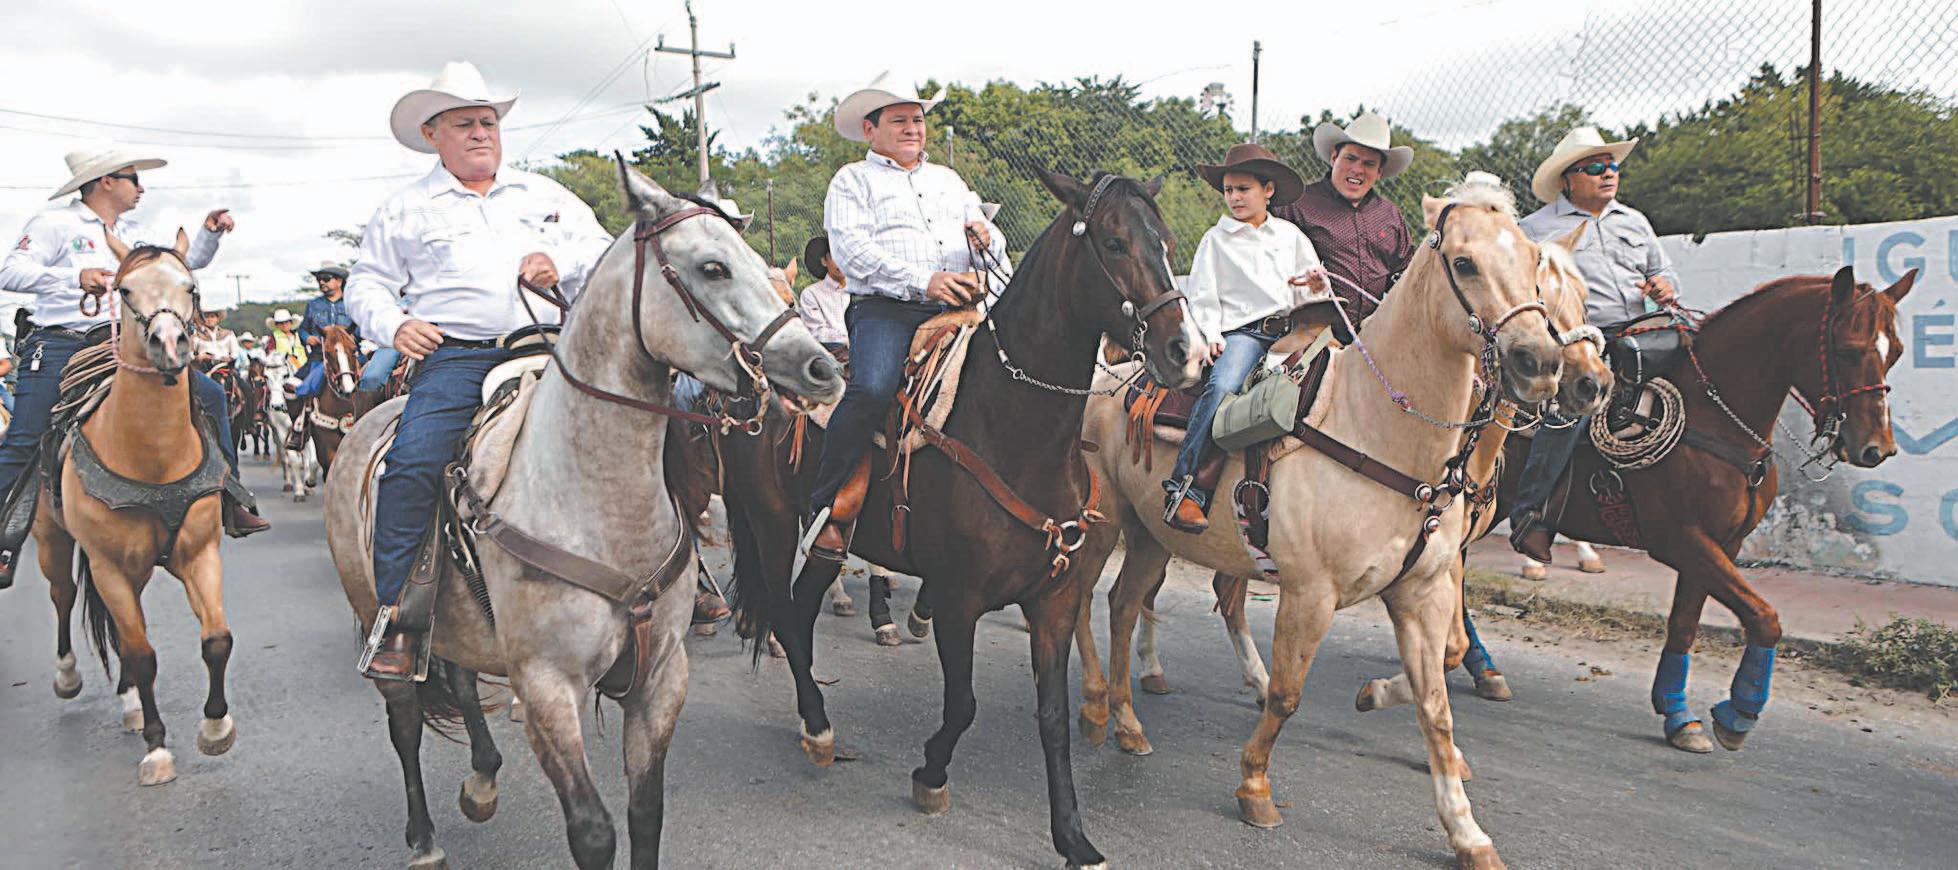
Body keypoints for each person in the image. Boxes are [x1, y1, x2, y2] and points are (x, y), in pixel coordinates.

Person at [347, 61, 611, 679]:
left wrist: (561, 260)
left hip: (555, 348)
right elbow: (367, 282)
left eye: (487, 122)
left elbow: (604, 249)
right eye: (463, 124)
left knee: (646, 434)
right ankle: (399, 616)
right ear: (432, 134)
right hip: (458, 357)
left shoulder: (545, 195)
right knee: (413, 464)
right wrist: (395, 325)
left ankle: (681, 574)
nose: (479, 133)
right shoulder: (405, 208)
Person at [0, 145, 266, 586]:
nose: (141, 189)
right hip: (62, 340)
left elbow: (181, 265)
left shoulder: (135, 234)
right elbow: (9, 271)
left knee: (212, 396)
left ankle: (232, 498)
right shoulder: (54, 224)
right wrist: (74, 277)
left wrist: (209, 234)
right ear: (106, 182)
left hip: (124, 343)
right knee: (25, 434)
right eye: (133, 179)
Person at [801, 73, 1005, 560]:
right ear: (870, 130)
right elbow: (852, 252)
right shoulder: (852, 181)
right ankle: (824, 503)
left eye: (917, 119)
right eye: (899, 121)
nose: (913, 128)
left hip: (958, 305)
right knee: (872, 388)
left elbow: (991, 241)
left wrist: (986, 238)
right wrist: (923, 280)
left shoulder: (949, 181)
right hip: (885, 310)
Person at [1508, 126, 1681, 564]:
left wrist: (1664, 286)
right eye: (1596, 168)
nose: (1609, 174)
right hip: (1581, 340)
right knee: (1569, 413)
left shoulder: (1634, 221)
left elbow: (1664, 272)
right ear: (1567, 180)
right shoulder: (1534, 229)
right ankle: (1531, 512)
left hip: (1642, 333)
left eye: (1612, 166)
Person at [1163, 143, 1328, 533]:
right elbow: (1203, 295)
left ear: (1268, 190)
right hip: (1244, 335)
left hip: (1293, 331)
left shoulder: (1290, 236)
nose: (1234, 197)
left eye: (1243, 189)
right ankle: (1185, 488)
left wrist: (1316, 285)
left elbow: (1310, 292)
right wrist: (1212, 334)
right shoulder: (1216, 239)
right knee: (1222, 388)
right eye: (1229, 190)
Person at [1271, 111, 1415, 338]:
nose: (1357, 169)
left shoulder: (1389, 215)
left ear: (1379, 172)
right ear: (1334, 157)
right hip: (1311, 337)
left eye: (1369, 163)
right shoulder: (1297, 205)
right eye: (1350, 158)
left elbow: (1405, 273)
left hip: (1375, 337)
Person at [796, 235, 849, 351]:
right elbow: (817, 332)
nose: (842, 262)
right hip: (833, 355)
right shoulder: (811, 294)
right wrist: (849, 339)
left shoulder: (861, 291)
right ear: (824, 261)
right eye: (836, 256)